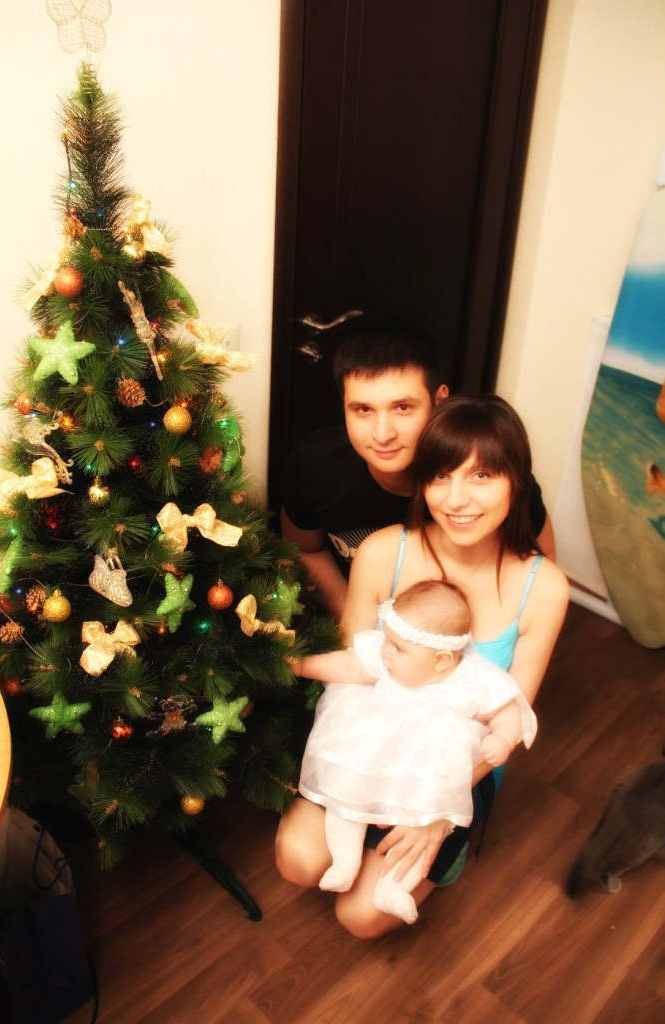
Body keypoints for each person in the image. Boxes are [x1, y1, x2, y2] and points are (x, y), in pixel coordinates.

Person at [275, 394, 569, 938]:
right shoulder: (383, 552)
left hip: (453, 770)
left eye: (481, 475)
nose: (456, 499)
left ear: (516, 481)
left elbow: (508, 716)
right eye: (440, 476)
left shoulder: (544, 587)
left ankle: (446, 855)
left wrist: (440, 810)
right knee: (298, 860)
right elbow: (356, 670)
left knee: (361, 916)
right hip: (369, 744)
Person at [291, 579, 537, 925]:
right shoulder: (386, 661)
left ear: (441, 660)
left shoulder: (472, 678)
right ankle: (345, 862)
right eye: (387, 641)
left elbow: (507, 709)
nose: (386, 652)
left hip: (423, 778)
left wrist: (503, 737)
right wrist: (301, 665)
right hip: (373, 760)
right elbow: (347, 666)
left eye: (398, 648)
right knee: (345, 801)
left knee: (424, 825)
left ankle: (394, 889)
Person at [281, 319, 556, 619]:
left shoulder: (492, 486)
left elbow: (538, 575)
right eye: (363, 409)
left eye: (403, 408)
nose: (383, 434)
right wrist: (359, 620)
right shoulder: (314, 463)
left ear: (439, 400)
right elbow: (305, 549)